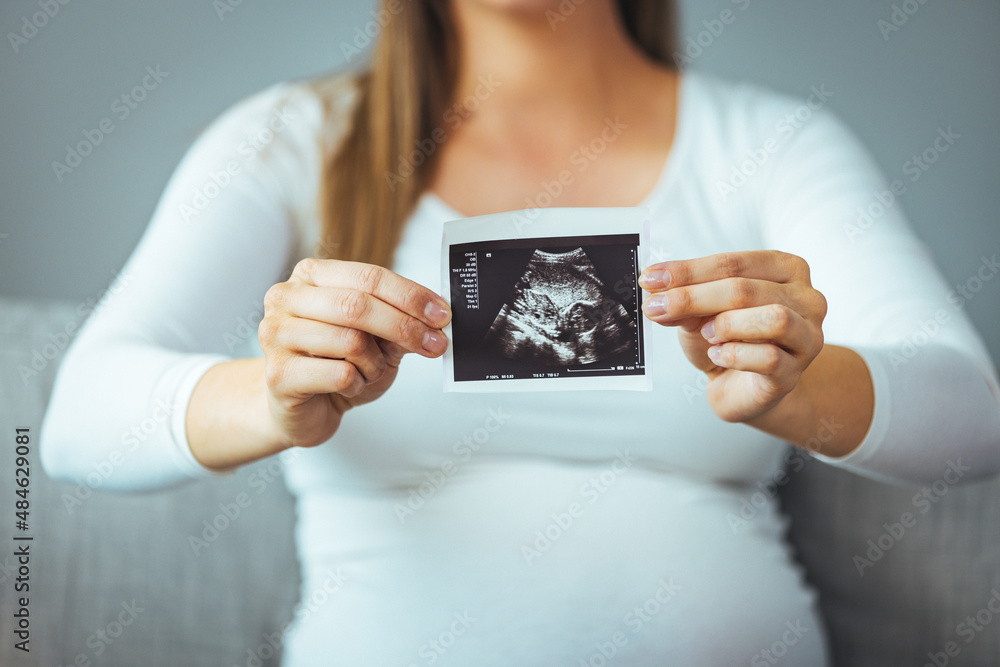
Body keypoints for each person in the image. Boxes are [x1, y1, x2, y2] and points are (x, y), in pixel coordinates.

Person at [40, 0, 1000, 665]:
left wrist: (804, 386)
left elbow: (972, 417)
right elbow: (79, 421)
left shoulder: (770, 147)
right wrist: (273, 393)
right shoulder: (294, 141)